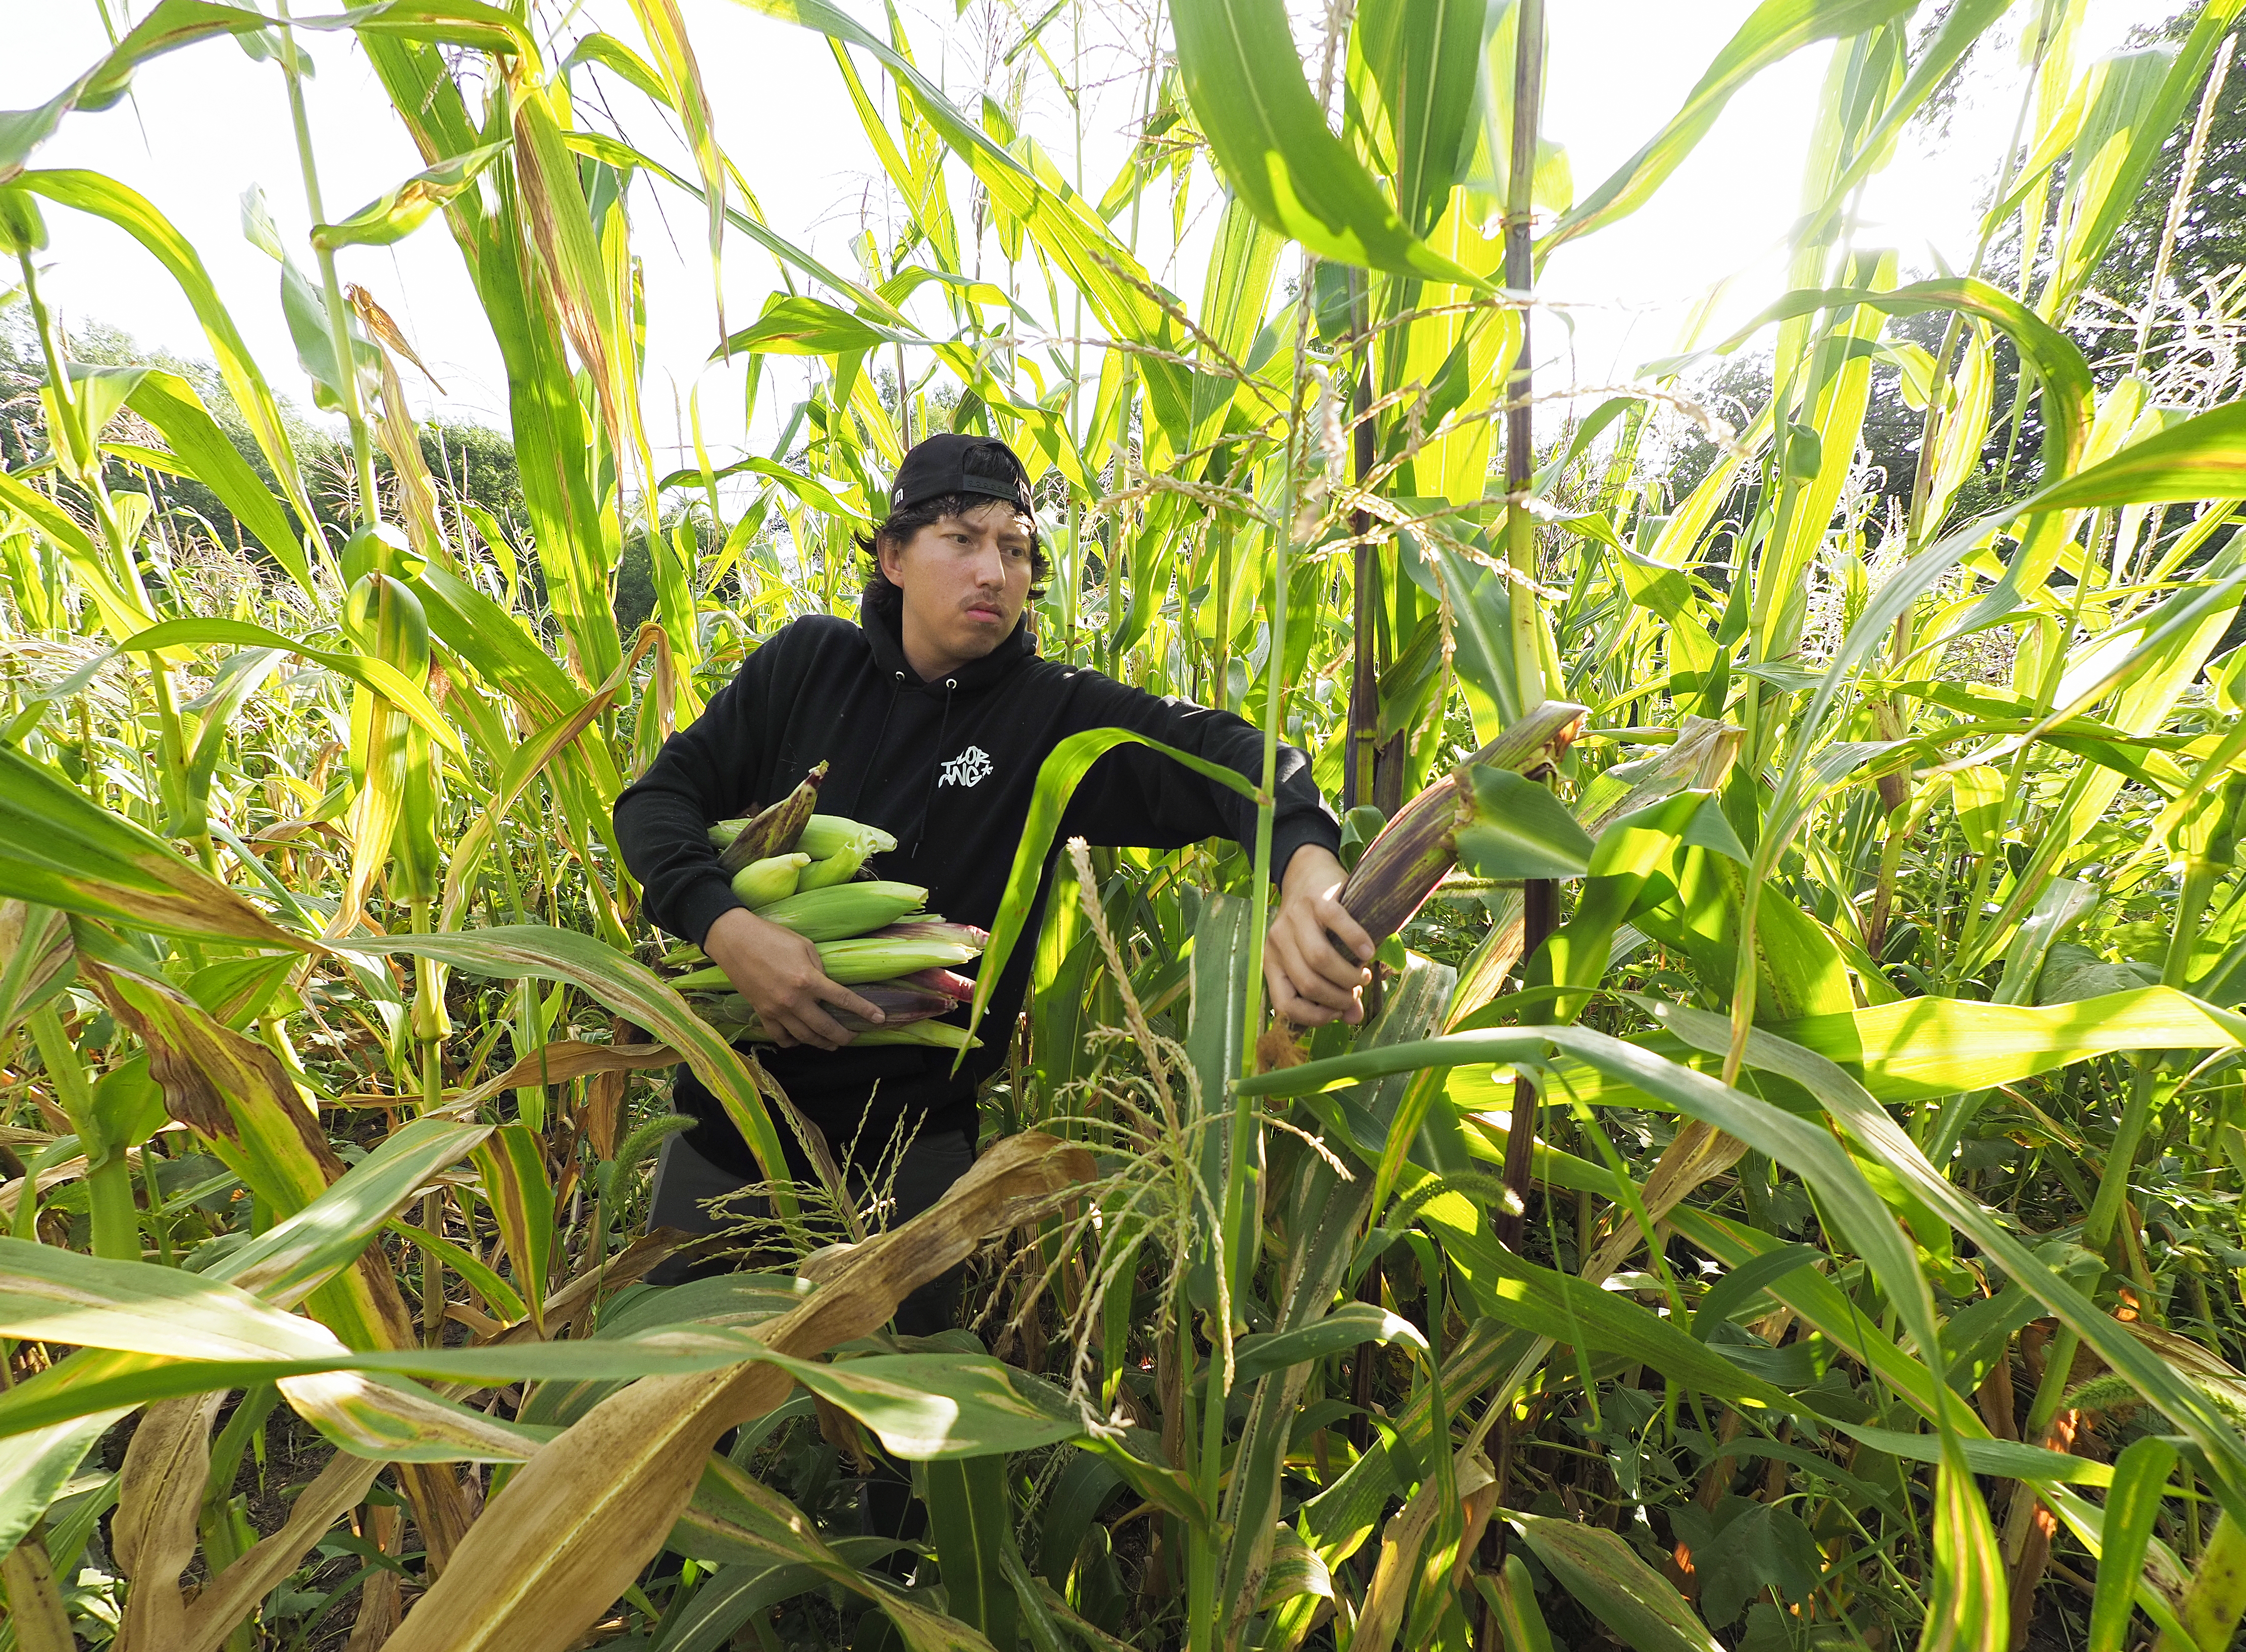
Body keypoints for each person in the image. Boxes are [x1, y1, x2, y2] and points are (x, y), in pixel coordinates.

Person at [614, 431, 1373, 1316]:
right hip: (730, 1133)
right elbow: (656, 802)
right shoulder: (808, 667)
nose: (995, 572)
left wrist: (1307, 866)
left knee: (903, 1401)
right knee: (666, 1380)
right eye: (963, 540)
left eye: (1015, 549)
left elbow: (1232, 758)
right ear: (894, 557)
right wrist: (727, 928)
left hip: (913, 1168)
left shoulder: (1055, 721)